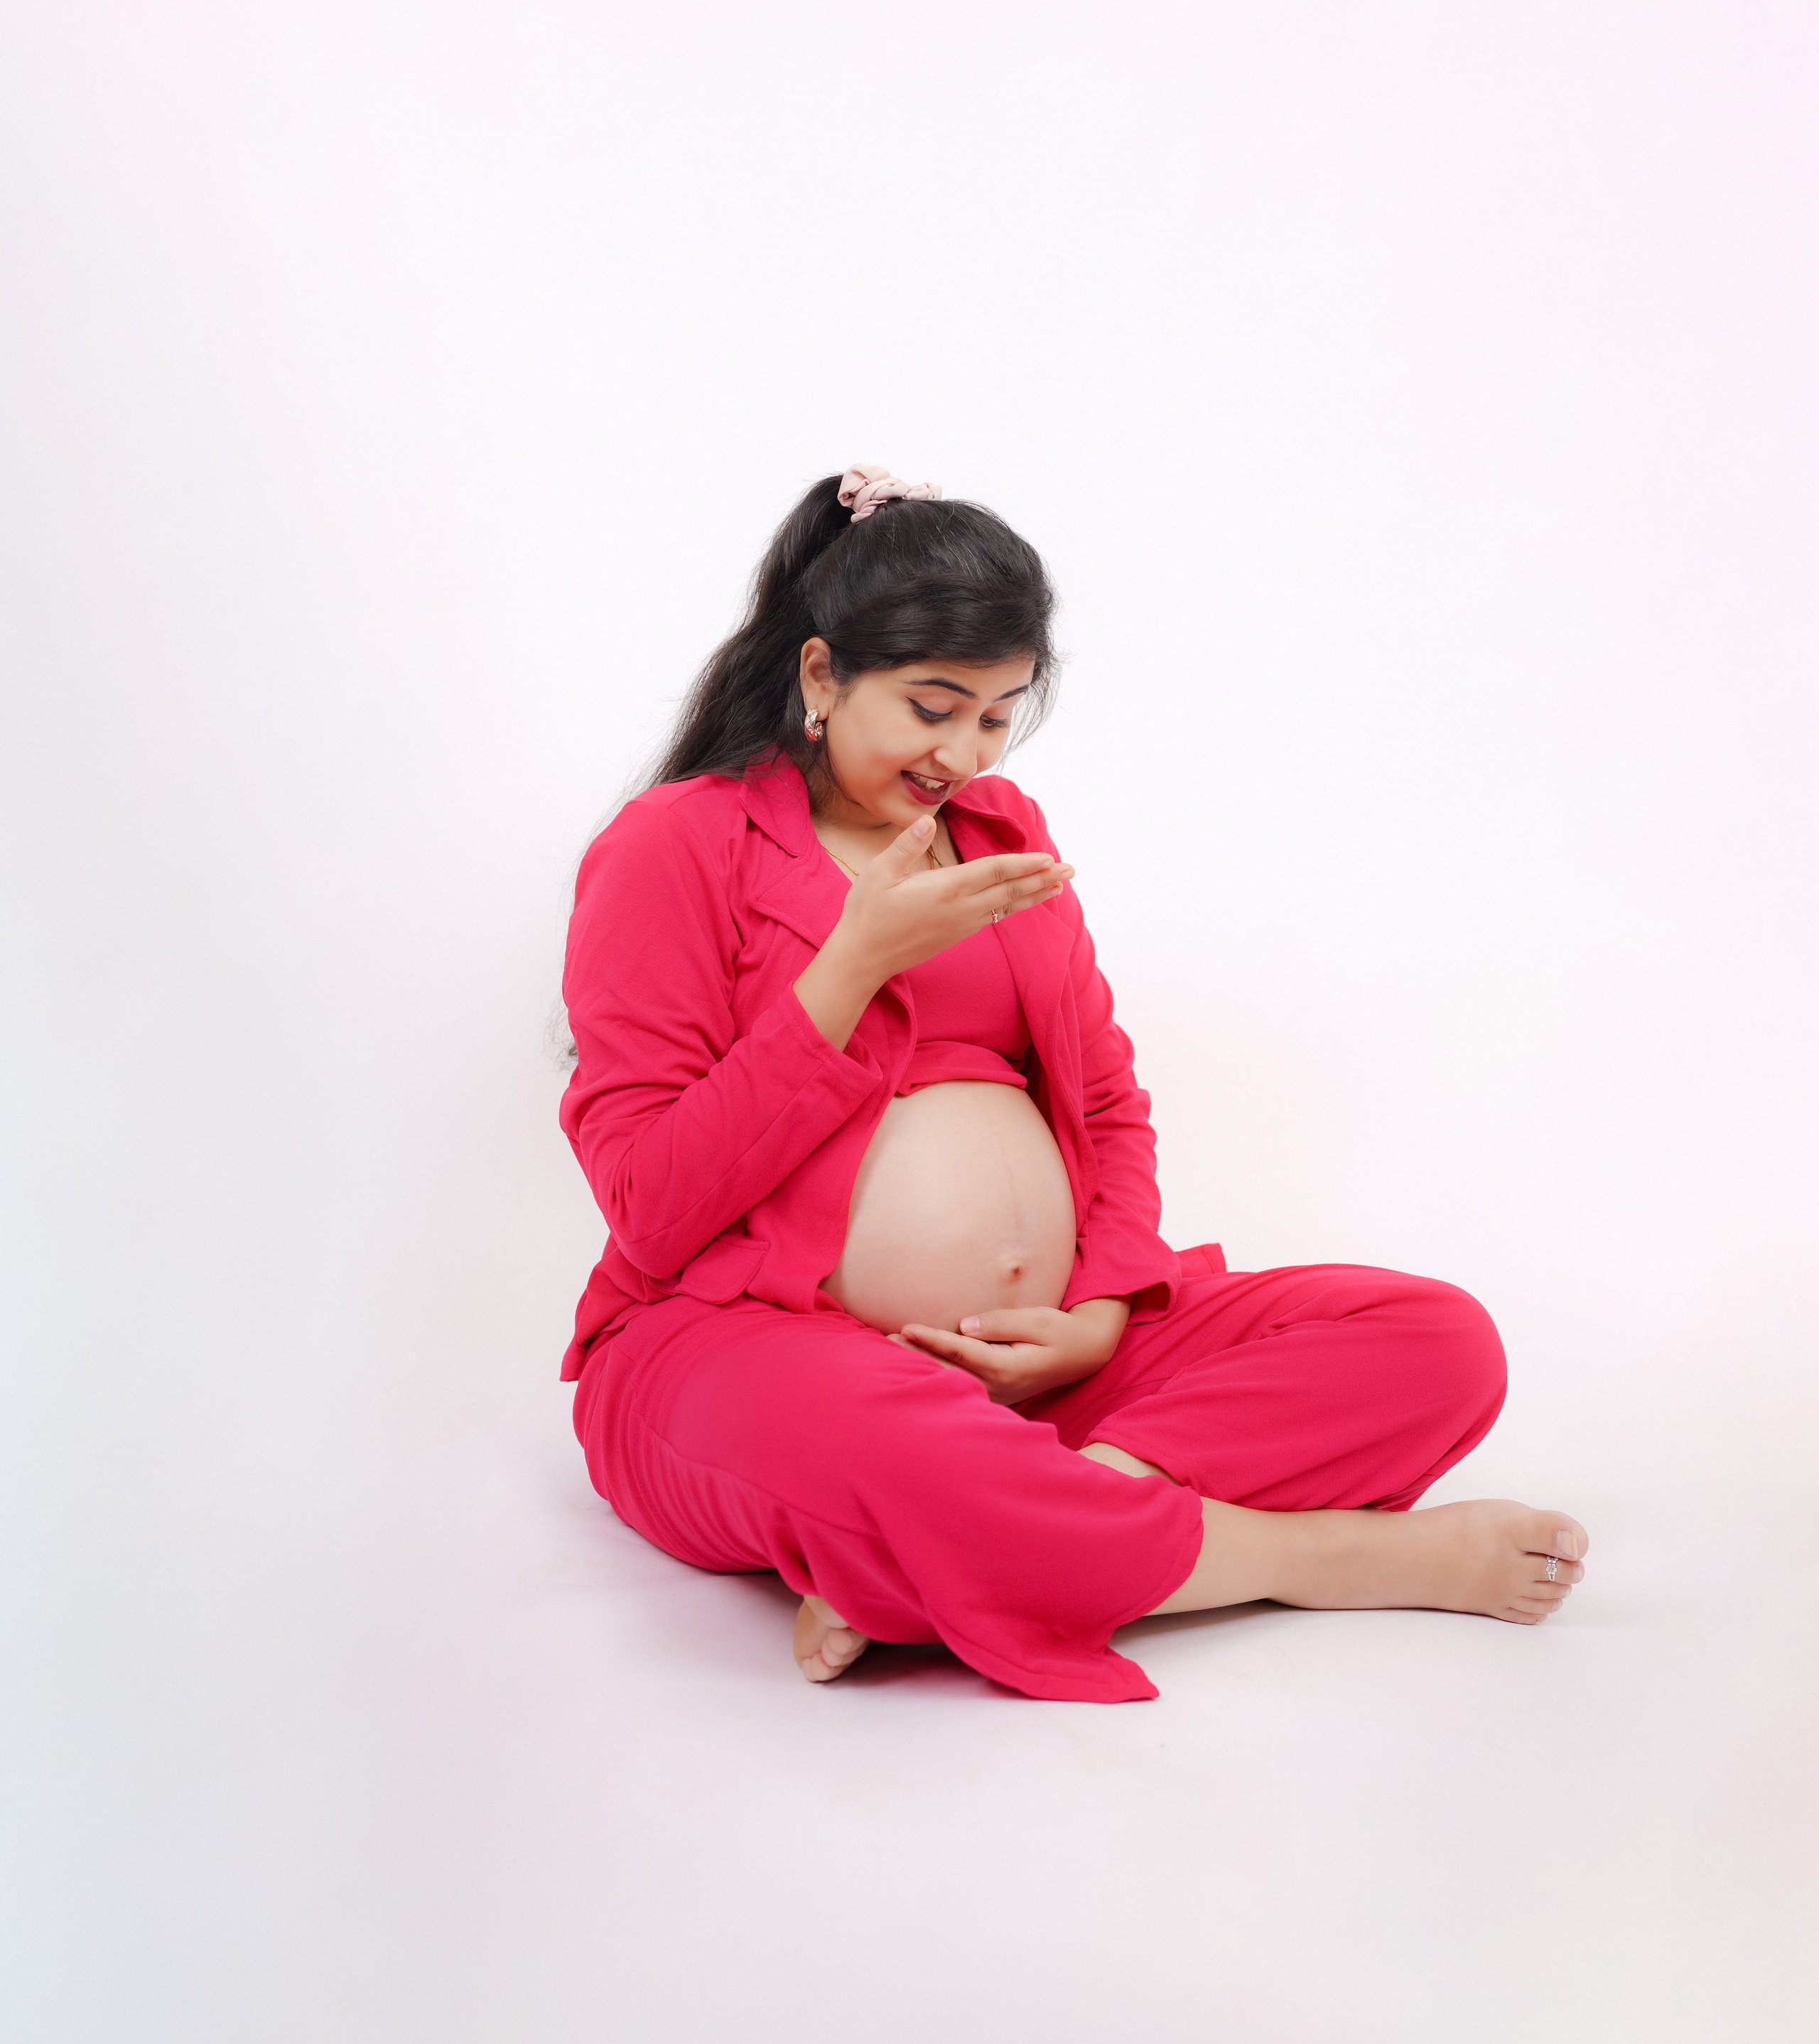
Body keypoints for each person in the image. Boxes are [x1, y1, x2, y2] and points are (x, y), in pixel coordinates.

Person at [557, 463, 1588, 1702]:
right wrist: (848, 972)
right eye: (934, 707)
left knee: (1435, 1341)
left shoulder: (1003, 834)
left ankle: (1004, 1534)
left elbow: (1104, 1104)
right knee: (883, 1441)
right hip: (753, 1347)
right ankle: (1318, 1559)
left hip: (1045, 1381)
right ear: (823, 677)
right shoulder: (675, 845)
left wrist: (1099, 1312)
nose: (962, 754)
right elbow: (651, 1209)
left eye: (994, 716)